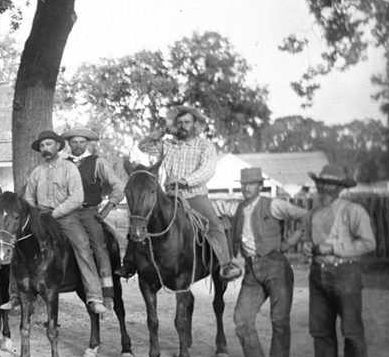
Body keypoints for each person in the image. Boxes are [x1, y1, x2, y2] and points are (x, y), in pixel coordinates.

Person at [217, 167, 308, 357]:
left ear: (260, 186)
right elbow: (214, 208)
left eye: (251, 184)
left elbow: (306, 216)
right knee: (242, 317)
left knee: (279, 318)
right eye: (243, 184)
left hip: (276, 266)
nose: (246, 187)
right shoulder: (238, 208)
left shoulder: (274, 205)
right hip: (252, 270)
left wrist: (291, 241)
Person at [136, 106, 243, 282]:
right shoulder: (168, 145)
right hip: (170, 196)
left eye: (187, 122)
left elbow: (207, 169)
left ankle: (226, 264)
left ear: (195, 125)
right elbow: (143, 146)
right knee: (142, 217)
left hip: (195, 196)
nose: (183, 126)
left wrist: (185, 181)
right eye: (179, 123)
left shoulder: (205, 146)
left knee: (214, 224)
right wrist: (162, 131)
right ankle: (133, 261)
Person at [299, 164, 375, 357]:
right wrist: (308, 248)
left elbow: (368, 243)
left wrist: (334, 247)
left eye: (329, 186)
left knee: (351, 328)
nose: (323, 189)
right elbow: (309, 242)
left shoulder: (353, 211)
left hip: (345, 274)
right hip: (318, 273)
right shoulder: (313, 214)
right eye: (321, 185)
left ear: (339, 188)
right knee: (320, 328)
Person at [22, 130, 108, 317]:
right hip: (41, 217)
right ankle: (15, 292)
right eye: (43, 146)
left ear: (58, 146)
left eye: (49, 144)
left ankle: (94, 296)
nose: (46, 149)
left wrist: (56, 212)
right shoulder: (37, 172)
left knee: (83, 245)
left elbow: (77, 197)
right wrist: (35, 214)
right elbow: (28, 198)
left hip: (65, 216)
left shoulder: (69, 168)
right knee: (20, 242)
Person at [62, 127, 125, 312]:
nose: (78, 146)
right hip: (66, 212)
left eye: (82, 142)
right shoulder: (62, 163)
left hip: (89, 212)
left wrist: (107, 208)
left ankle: (106, 292)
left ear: (87, 144)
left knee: (99, 246)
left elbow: (118, 186)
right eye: (74, 142)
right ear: (69, 144)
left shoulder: (97, 162)